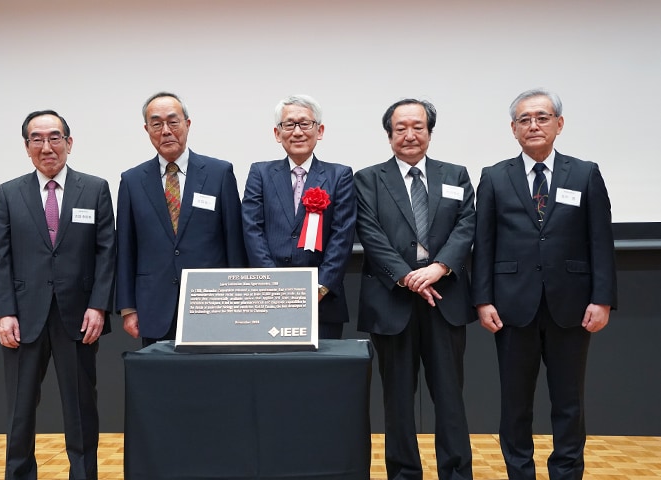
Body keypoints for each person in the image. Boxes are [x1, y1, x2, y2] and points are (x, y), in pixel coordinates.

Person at [472, 88, 617, 480]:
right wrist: (482, 299)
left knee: (569, 402)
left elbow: (600, 239)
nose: (533, 125)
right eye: (524, 119)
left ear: (559, 124)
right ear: (513, 129)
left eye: (542, 117)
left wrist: (602, 298)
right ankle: (520, 473)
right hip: (510, 306)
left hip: (571, 306)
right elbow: (483, 243)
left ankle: (566, 473)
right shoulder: (494, 176)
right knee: (515, 404)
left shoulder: (585, 173)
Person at [0, 110, 116, 480]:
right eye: (37, 139)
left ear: (69, 143)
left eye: (55, 137)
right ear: (27, 147)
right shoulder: (9, 193)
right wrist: (4, 313)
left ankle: (84, 475)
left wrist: (99, 305)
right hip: (23, 318)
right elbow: (0, 256)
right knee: (20, 410)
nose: (47, 146)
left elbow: (106, 251)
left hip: (79, 317)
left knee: (80, 409)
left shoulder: (94, 189)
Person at [355, 99, 476, 480]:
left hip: (445, 299)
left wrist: (439, 268)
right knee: (397, 400)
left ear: (430, 131)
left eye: (418, 127)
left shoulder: (455, 175)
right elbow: (370, 234)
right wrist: (408, 276)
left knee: (450, 398)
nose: (410, 135)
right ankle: (404, 473)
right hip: (393, 301)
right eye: (401, 127)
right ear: (389, 134)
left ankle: (456, 472)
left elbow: (466, 226)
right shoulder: (368, 179)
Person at [116, 92, 247, 346]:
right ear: (147, 129)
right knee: (161, 384)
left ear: (187, 124)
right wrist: (128, 308)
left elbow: (234, 241)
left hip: (212, 304)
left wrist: (239, 300)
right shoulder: (132, 181)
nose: (166, 131)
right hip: (154, 305)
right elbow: (126, 248)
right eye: (156, 124)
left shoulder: (219, 173)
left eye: (173, 122)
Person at [241, 94, 356, 339]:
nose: (297, 131)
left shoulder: (340, 175)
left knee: (321, 375)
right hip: (268, 299)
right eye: (289, 124)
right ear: (277, 133)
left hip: (322, 302)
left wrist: (320, 287)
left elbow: (342, 235)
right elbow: (252, 229)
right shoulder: (260, 173)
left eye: (305, 124)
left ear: (320, 130)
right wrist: (272, 284)